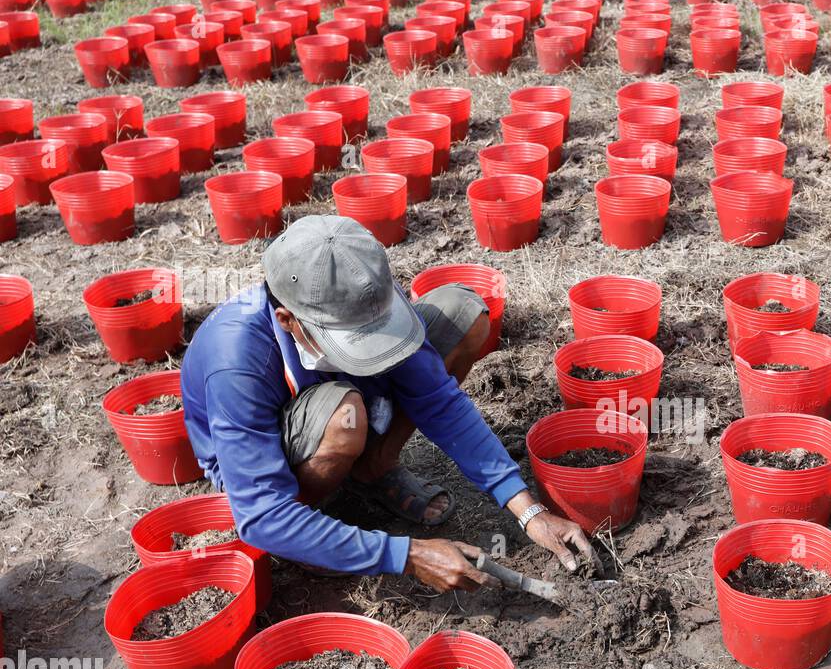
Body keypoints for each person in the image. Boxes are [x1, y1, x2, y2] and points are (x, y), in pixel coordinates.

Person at [179, 215, 593, 591]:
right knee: (344, 414)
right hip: (270, 461)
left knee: (461, 313)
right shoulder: (235, 359)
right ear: (288, 320)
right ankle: (315, 527)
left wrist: (528, 511)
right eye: (352, 337)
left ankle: (373, 469)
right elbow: (262, 515)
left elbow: (439, 401)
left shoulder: (365, 291)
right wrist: (407, 555)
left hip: (345, 403)